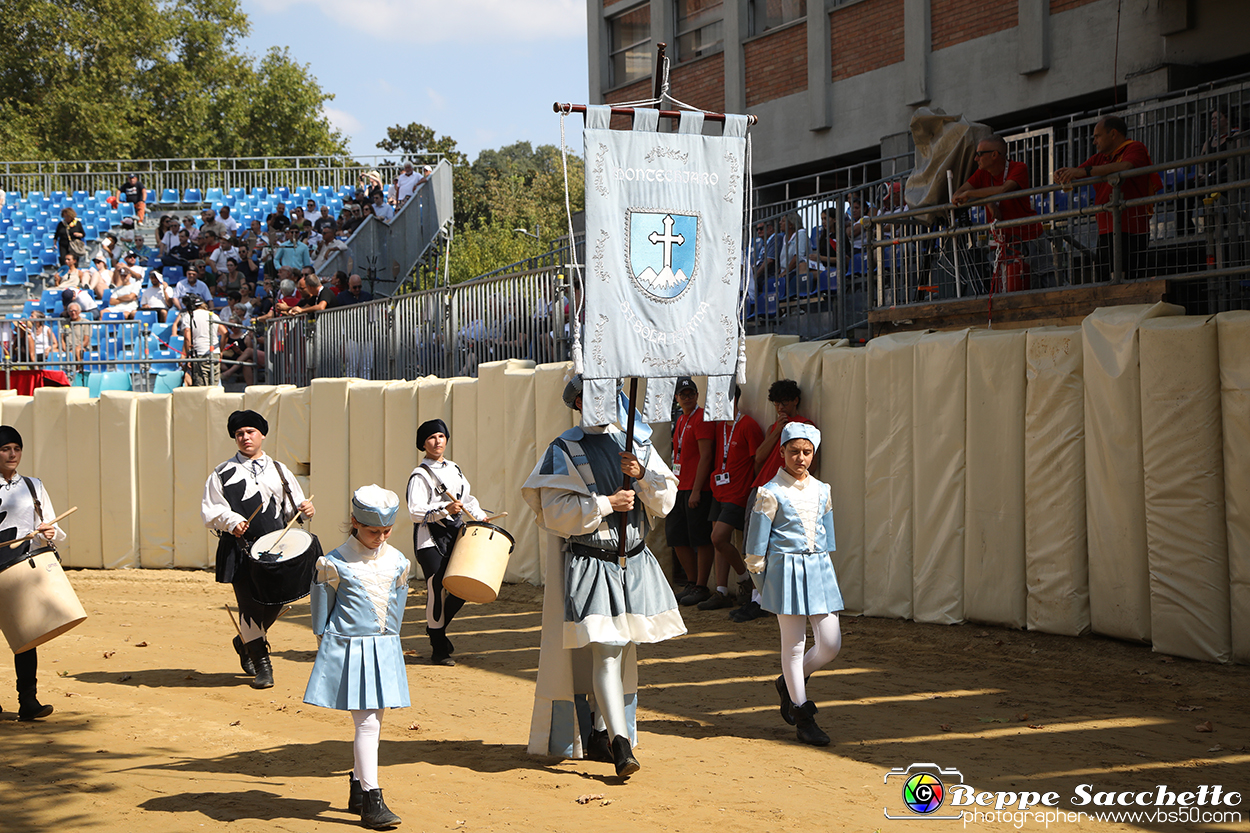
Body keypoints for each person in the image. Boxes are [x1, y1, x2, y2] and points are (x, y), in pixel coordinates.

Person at [522, 375, 684, 778]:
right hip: (592, 564)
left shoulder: (636, 443)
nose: (600, 402)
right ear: (577, 403)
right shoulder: (564, 448)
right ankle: (620, 743)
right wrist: (607, 503)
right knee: (608, 650)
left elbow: (665, 501)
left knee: (624, 649)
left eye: (606, 394)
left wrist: (642, 473)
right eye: (589, 396)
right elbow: (554, 512)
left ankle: (599, 731)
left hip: (634, 562)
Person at [303, 485, 407, 829]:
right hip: (349, 649)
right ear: (354, 523)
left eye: (386, 531)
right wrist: (326, 646)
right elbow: (321, 616)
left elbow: (398, 610)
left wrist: (390, 646)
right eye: (373, 531)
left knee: (373, 724)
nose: (380, 537)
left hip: (383, 649)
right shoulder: (332, 562)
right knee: (368, 723)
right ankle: (373, 799)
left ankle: (358, 787)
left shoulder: (398, 561)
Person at [201, 410, 316, 689]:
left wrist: (306, 510)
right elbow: (211, 510)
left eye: (250, 432)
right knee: (250, 606)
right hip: (240, 548)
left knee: (277, 601)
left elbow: (293, 508)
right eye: (239, 434)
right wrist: (232, 521)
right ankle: (263, 664)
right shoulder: (221, 472)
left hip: (277, 550)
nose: (245, 437)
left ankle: (245, 641)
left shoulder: (279, 470)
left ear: (262, 434)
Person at [745, 423, 842, 747]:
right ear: (783, 452)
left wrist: (828, 572)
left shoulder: (823, 490)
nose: (800, 458)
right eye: (794, 451)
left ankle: (789, 682)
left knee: (830, 643)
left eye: (807, 452)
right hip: (785, 572)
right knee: (794, 643)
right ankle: (802, 714)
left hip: (819, 570)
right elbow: (755, 547)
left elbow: (827, 538)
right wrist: (762, 582)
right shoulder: (770, 492)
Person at [728, 378, 815, 623]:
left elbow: (809, 466)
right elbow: (758, 458)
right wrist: (777, 431)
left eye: (785, 402)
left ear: (795, 400)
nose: (781, 407)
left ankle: (762, 600)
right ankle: (759, 597)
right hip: (761, 489)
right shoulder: (775, 427)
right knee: (753, 546)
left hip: (783, 493)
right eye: (777, 403)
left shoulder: (805, 427)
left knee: (770, 548)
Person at [0, 425, 67, 721]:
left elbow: (50, 526)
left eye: (17, 448)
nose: (12, 454)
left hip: (21, 567)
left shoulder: (33, 485)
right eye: (5, 449)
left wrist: (50, 530)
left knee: (26, 637)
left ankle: (28, 700)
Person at [406, 419, 483, 666]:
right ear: (423, 443)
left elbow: (467, 499)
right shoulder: (419, 474)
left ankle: (435, 629)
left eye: (441, 436)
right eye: (431, 438)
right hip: (429, 540)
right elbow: (415, 512)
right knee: (436, 587)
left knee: (462, 587)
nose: (437, 441)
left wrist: (481, 517)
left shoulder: (455, 469)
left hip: (455, 534)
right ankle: (439, 648)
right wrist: (444, 509)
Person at [1055, 115, 1162, 281]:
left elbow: (1125, 166)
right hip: (1106, 229)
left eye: (1097, 136)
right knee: (1105, 280)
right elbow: (1077, 173)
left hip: (1131, 229)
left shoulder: (1135, 147)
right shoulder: (1100, 158)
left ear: (1113, 134)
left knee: (1128, 280)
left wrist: (1084, 172)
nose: (1094, 142)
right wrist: (1063, 174)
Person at [952, 134, 1044, 292]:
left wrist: (972, 194)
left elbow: (1003, 189)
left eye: (979, 154)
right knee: (1005, 289)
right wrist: (988, 203)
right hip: (1002, 243)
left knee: (1042, 283)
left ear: (994, 155)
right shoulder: (982, 174)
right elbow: (957, 195)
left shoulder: (1018, 168)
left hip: (1029, 238)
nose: (976, 159)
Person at [701, 384, 764, 611]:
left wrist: (756, 492)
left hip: (738, 492)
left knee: (719, 538)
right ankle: (721, 591)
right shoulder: (719, 426)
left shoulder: (748, 425)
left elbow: (758, 459)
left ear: (734, 399)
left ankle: (744, 579)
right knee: (716, 540)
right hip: (719, 490)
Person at [666, 376, 715, 606]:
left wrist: (696, 490)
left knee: (701, 537)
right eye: (682, 394)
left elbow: (706, 456)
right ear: (676, 398)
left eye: (690, 393)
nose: (686, 397)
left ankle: (702, 585)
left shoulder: (701, 418)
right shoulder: (681, 420)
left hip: (697, 488)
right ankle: (692, 581)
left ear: (696, 395)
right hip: (679, 486)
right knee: (676, 536)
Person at [181, 294, 227, 386]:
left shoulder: (189, 316)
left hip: (199, 354)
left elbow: (187, 337)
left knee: (201, 387)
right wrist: (220, 350)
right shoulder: (213, 315)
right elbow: (225, 333)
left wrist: (188, 356)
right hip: (214, 353)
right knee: (214, 385)